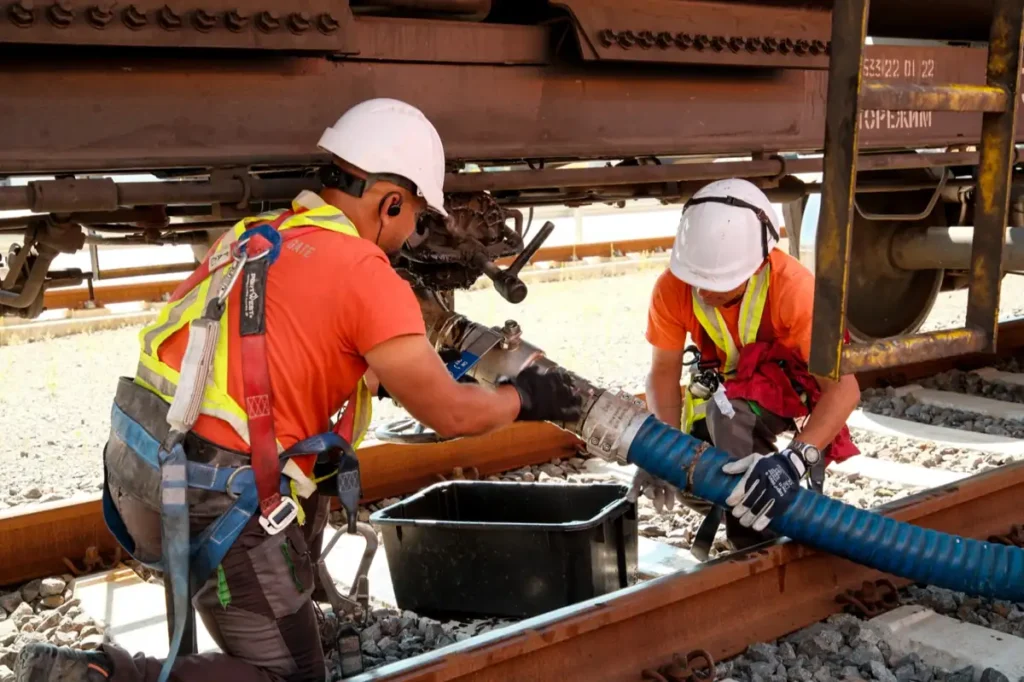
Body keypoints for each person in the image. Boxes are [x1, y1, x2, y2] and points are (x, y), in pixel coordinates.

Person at [16, 98, 582, 682]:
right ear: (389, 201)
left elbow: (279, 353)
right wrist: (526, 397)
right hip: (214, 499)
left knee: (305, 490)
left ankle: (268, 621)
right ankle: (98, 675)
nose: (413, 234)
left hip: (143, 467)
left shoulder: (257, 235)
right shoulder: (366, 274)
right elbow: (452, 415)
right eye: (415, 215)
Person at [632, 178, 860, 558]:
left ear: (758, 265)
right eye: (696, 280)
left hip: (787, 394)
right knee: (703, 467)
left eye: (718, 282)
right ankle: (754, 511)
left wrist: (792, 463)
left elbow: (844, 389)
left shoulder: (796, 291)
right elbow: (662, 374)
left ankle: (755, 548)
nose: (704, 292)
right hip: (728, 392)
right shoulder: (671, 288)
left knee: (733, 419)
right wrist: (662, 452)